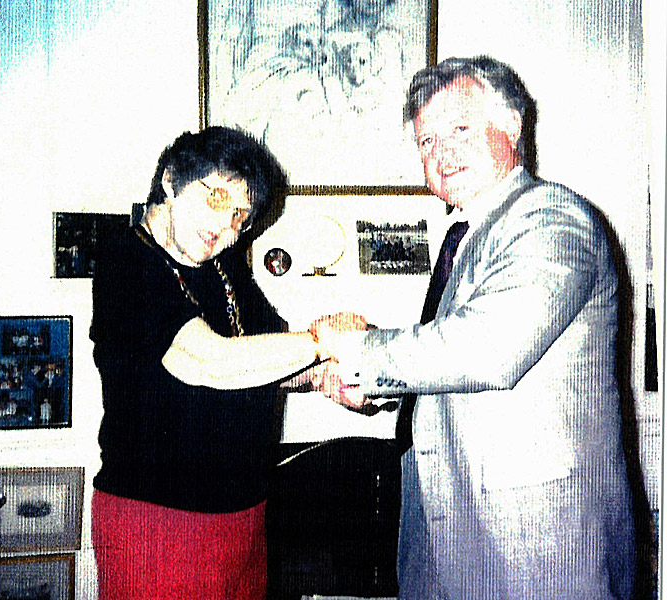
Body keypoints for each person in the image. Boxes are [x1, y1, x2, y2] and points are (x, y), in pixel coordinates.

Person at [311, 56, 636, 599]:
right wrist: (366, 386)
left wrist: (358, 351)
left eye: (459, 129)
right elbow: (449, 367)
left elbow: (488, 349)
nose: (441, 152)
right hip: (450, 528)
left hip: (540, 541)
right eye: (426, 142)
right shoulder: (468, 235)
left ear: (511, 127)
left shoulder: (552, 218)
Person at [89, 126, 326, 600]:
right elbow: (204, 361)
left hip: (244, 513)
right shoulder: (126, 259)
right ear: (173, 181)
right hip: (158, 518)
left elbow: (272, 355)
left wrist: (336, 377)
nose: (226, 225)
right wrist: (324, 342)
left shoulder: (226, 263)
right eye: (216, 197)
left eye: (240, 215)